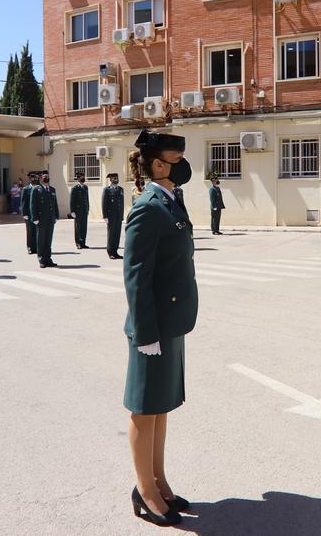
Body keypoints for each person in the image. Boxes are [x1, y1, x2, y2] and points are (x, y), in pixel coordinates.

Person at [123, 129, 198, 527]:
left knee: (161, 406)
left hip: (171, 321)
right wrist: (144, 332)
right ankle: (145, 491)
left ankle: (159, 482)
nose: (182, 164)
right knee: (143, 407)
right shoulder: (147, 207)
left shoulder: (171, 200)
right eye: (175, 157)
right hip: (152, 326)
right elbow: (136, 278)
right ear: (156, 164)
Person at [31, 170, 58, 268]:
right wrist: (34, 218)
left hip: (50, 219)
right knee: (41, 240)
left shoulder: (52, 189)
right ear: (40, 178)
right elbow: (33, 204)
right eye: (44, 176)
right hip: (41, 219)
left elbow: (55, 204)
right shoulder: (36, 189)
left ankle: (48, 259)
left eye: (47, 176)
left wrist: (56, 216)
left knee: (48, 240)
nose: (46, 177)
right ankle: (41, 259)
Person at [102, 172, 125, 259]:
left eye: (117, 178)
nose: (116, 180)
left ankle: (115, 251)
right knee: (111, 234)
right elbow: (104, 203)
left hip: (119, 216)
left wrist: (122, 215)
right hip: (111, 216)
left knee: (117, 234)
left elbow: (121, 203)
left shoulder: (121, 189)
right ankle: (110, 252)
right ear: (110, 180)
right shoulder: (107, 190)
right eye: (114, 178)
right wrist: (105, 216)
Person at [71, 172, 90, 249]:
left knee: (84, 227)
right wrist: (72, 211)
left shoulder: (86, 187)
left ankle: (83, 242)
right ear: (78, 178)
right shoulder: (75, 188)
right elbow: (72, 200)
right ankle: (78, 243)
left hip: (84, 210)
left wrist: (88, 208)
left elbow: (87, 199)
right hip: (77, 211)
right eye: (81, 177)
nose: (83, 178)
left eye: (83, 176)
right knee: (78, 227)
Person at [23, 172, 39, 254]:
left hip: (37, 214)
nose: (34, 179)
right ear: (30, 179)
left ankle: (36, 247)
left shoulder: (39, 188)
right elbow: (23, 202)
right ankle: (29, 247)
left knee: (37, 231)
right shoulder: (26, 189)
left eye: (35, 178)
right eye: (32, 178)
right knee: (30, 231)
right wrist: (24, 214)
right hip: (29, 214)